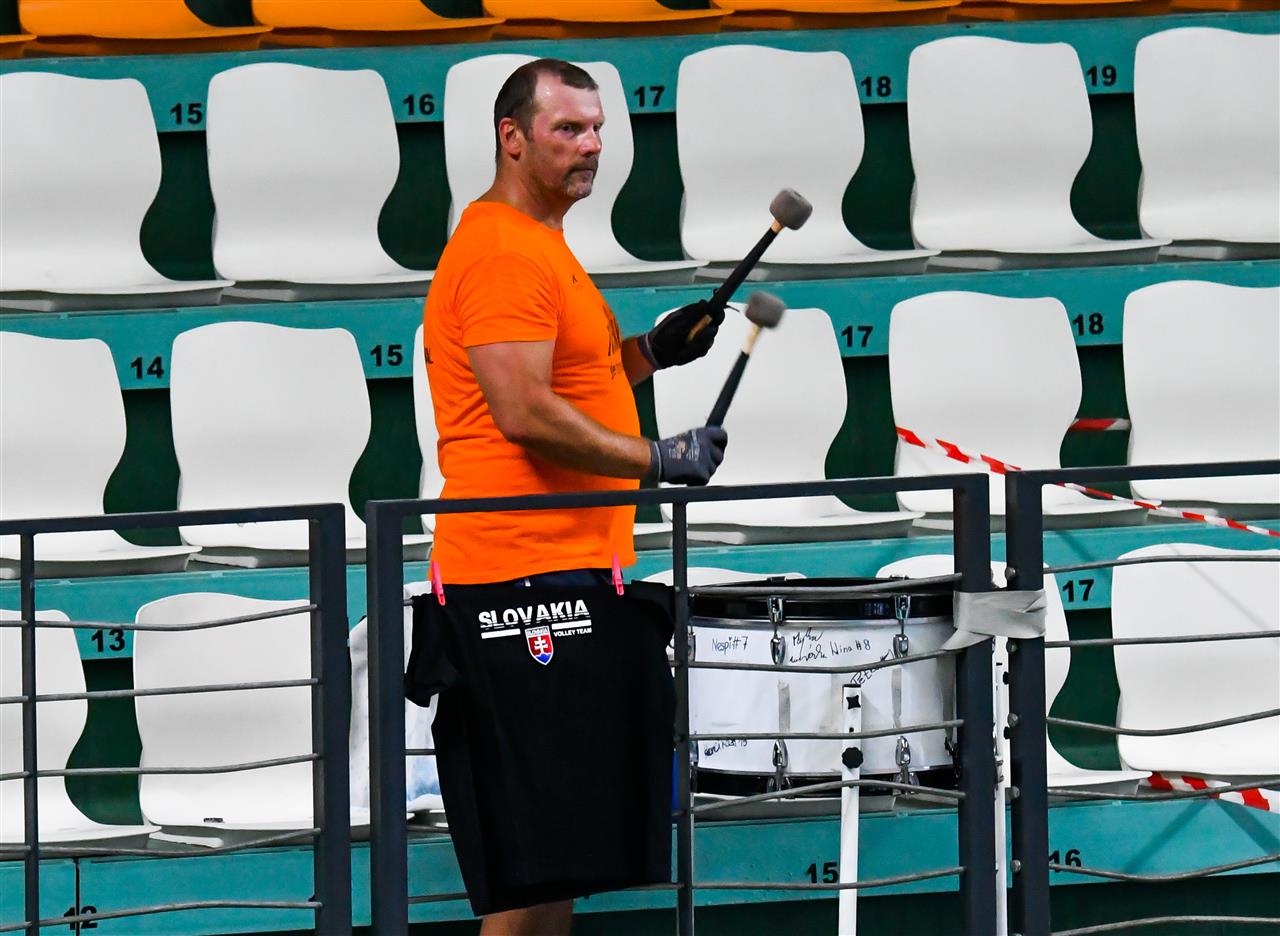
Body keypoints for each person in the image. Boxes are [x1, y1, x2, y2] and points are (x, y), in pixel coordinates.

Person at [421, 58, 729, 935]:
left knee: (557, 863)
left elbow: (572, 381)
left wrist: (651, 353)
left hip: (563, 573)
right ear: (511, 138)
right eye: (568, 129)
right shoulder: (503, 253)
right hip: (517, 581)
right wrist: (656, 457)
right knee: (529, 877)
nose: (591, 145)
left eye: (597, 129)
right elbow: (521, 411)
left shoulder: (540, 243)